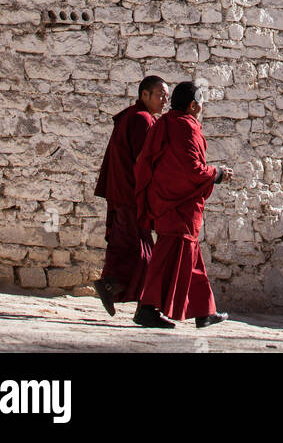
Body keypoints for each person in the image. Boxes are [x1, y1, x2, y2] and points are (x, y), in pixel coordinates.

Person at [133, 81, 232, 330]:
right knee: (166, 257)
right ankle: (146, 309)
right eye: (200, 102)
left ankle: (203, 311)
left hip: (166, 200)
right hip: (178, 204)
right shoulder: (185, 128)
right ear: (192, 105)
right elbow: (190, 170)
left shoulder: (165, 124)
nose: (201, 107)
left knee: (192, 259)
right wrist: (217, 173)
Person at [93, 75, 169, 317]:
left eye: (166, 96)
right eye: (160, 95)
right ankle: (133, 299)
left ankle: (113, 286)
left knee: (127, 248)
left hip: (123, 194)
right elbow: (143, 163)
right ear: (144, 95)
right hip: (131, 196)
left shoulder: (132, 116)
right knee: (143, 253)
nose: (164, 100)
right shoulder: (141, 120)